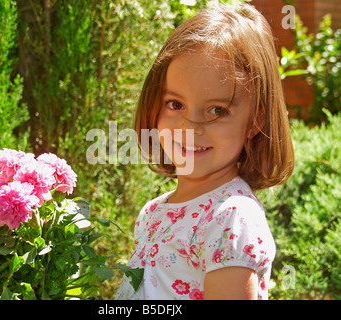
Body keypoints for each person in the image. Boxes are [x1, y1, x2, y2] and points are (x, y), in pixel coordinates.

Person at [116, 3, 294, 300]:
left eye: (217, 110)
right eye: (176, 104)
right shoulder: (153, 212)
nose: (191, 126)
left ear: (255, 122)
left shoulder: (230, 219)